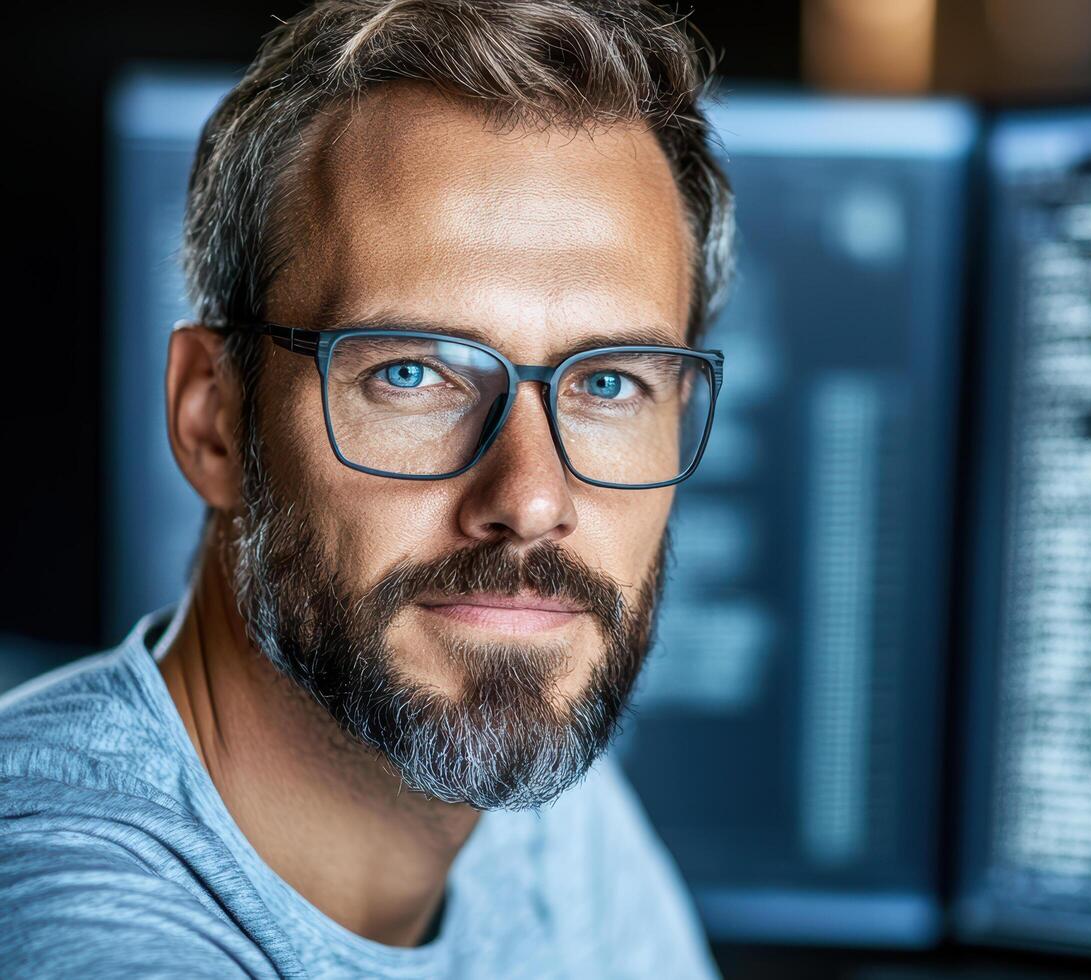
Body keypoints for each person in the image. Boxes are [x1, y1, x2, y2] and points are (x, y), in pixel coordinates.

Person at [0, 1, 734, 976]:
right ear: (212, 419)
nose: (530, 496)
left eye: (609, 382)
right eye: (412, 372)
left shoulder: (544, 807)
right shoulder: (74, 924)